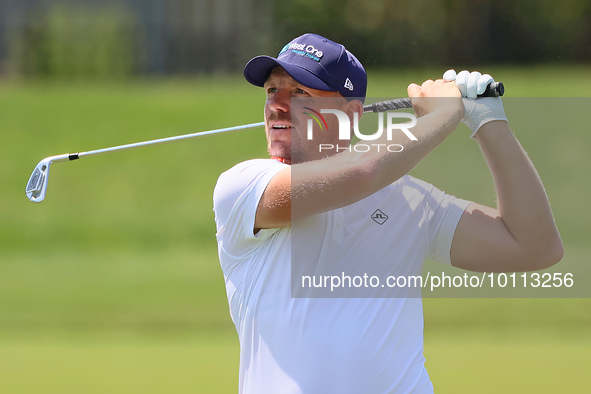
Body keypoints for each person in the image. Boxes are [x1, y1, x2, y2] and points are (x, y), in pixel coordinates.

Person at [213, 33, 563, 393]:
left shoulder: (410, 201)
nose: (278, 105)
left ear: (349, 116)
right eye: (272, 90)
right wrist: (444, 114)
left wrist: (489, 122)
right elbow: (363, 171)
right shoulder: (243, 187)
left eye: (301, 92)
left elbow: (535, 247)